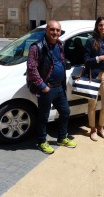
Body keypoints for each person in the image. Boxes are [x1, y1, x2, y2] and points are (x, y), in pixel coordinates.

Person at [27, 20, 76, 154]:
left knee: (65, 112)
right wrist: (43, 86)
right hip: (47, 88)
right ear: (46, 30)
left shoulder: (59, 44)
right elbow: (32, 69)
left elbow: (58, 62)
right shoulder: (36, 47)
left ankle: (62, 138)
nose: (55, 32)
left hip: (59, 87)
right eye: (52, 29)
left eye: (57, 30)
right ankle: (42, 141)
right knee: (44, 116)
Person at [83, 16, 104, 141]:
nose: (103, 27)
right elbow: (86, 60)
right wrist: (99, 58)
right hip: (94, 75)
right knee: (92, 104)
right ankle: (93, 129)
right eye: (100, 25)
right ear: (97, 26)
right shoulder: (90, 41)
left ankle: (101, 127)